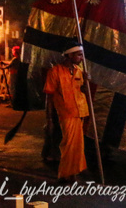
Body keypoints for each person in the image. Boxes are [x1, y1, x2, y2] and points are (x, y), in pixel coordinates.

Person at [44, 43, 91, 181]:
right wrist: (49, 119)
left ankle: (74, 171)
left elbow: (84, 92)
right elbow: (49, 96)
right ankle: (65, 174)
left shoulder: (78, 71)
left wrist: (87, 81)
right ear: (70, 55)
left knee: (78, 145)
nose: (82, 58)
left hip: (81, 112)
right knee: (68, 145)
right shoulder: (55, 72)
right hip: (66, 113)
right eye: (79, 55)